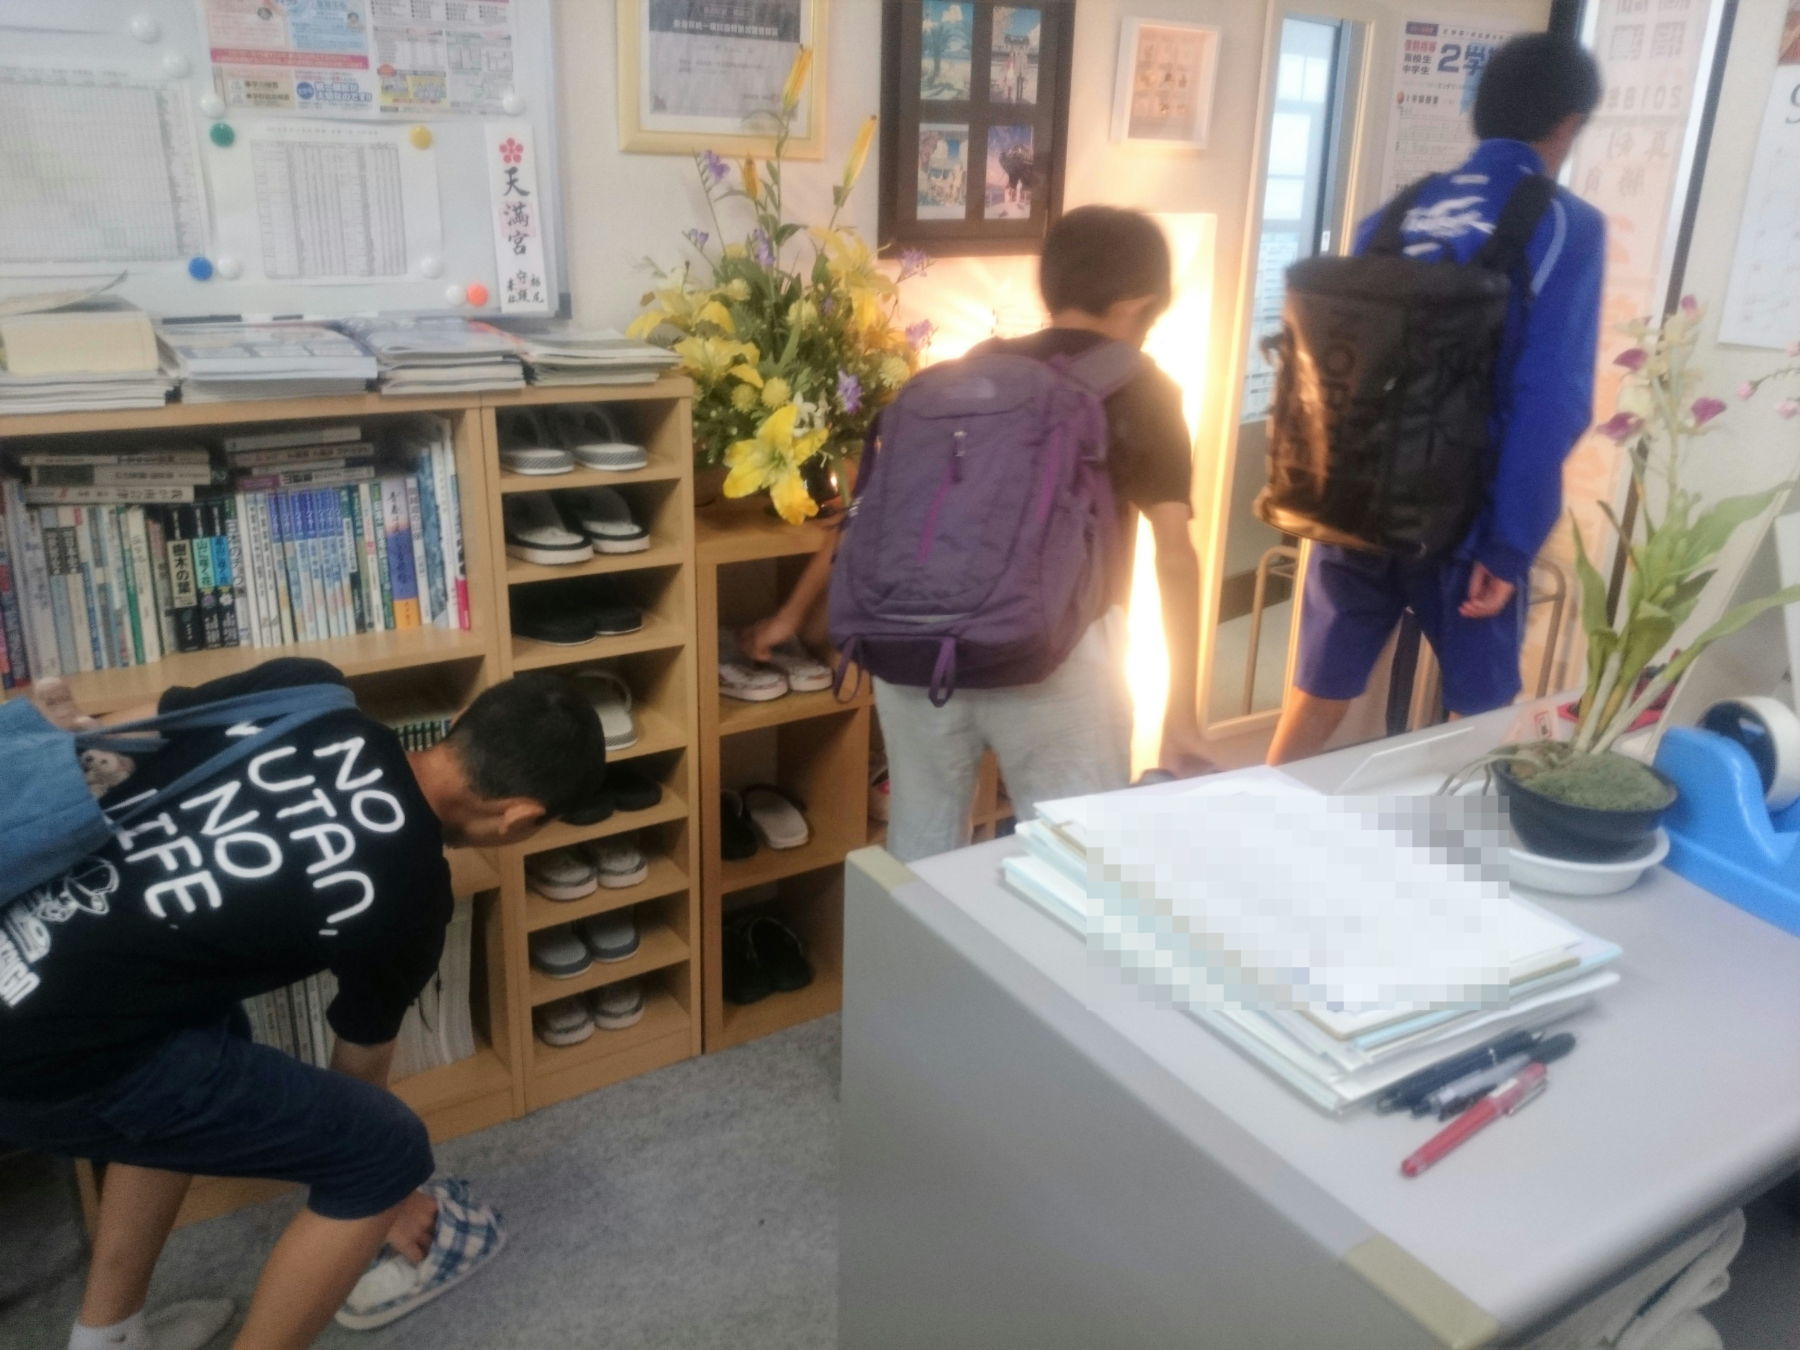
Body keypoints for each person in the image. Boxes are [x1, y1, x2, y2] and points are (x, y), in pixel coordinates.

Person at [0, 659, 608, 1350]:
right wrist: (378, 1192)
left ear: (461, 720)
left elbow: (117, 735)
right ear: (520, 818)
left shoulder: (305, 689)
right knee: (384, 1150)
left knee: (206, 1025)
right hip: (42, 1069)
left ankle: (108, 1337)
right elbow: (361, 1060)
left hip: (19, 945)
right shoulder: (413, 896)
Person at [745, 206, 1207, 863]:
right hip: (1056, 655)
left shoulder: (965, 372)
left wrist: (789, 617)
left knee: (921, 849)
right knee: (1077, 862)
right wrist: (1182, 713)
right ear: (1137, 304)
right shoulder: (1143, 387)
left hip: (915, 649)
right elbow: (1176, 557)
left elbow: (872, 510)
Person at [1267, 32, 1605, 766]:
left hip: (1355, 501)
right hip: (1468, 521)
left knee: (1317, 697)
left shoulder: (1398, 212)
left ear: (1480, 112)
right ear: (1570, 123)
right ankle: (1447, 837)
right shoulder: (1564, 225)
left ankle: (1245, 813)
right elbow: (1552, 397)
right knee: (1476, 720)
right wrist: (1509, 544)